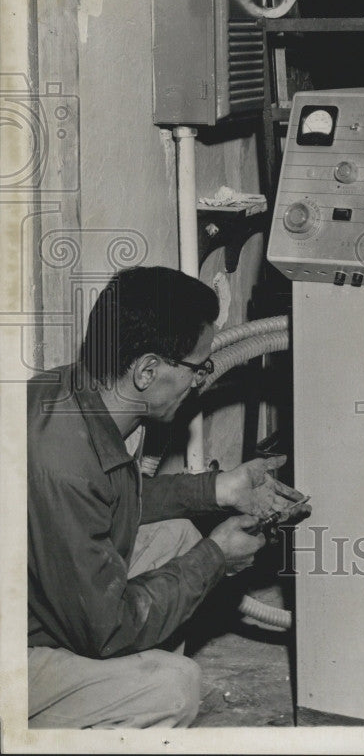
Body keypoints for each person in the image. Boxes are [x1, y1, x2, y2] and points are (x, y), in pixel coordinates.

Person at [28, 265, 309, 728]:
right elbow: (109, 628)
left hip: (35, 606)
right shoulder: (63, 463)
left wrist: (218, 489)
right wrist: (217, 555)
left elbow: (111, 503)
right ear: (146, 370)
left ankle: (110, 690)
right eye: (198, 368)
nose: (201, 381)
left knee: (177, 535)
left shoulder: (70, 394)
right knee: (172, 688)